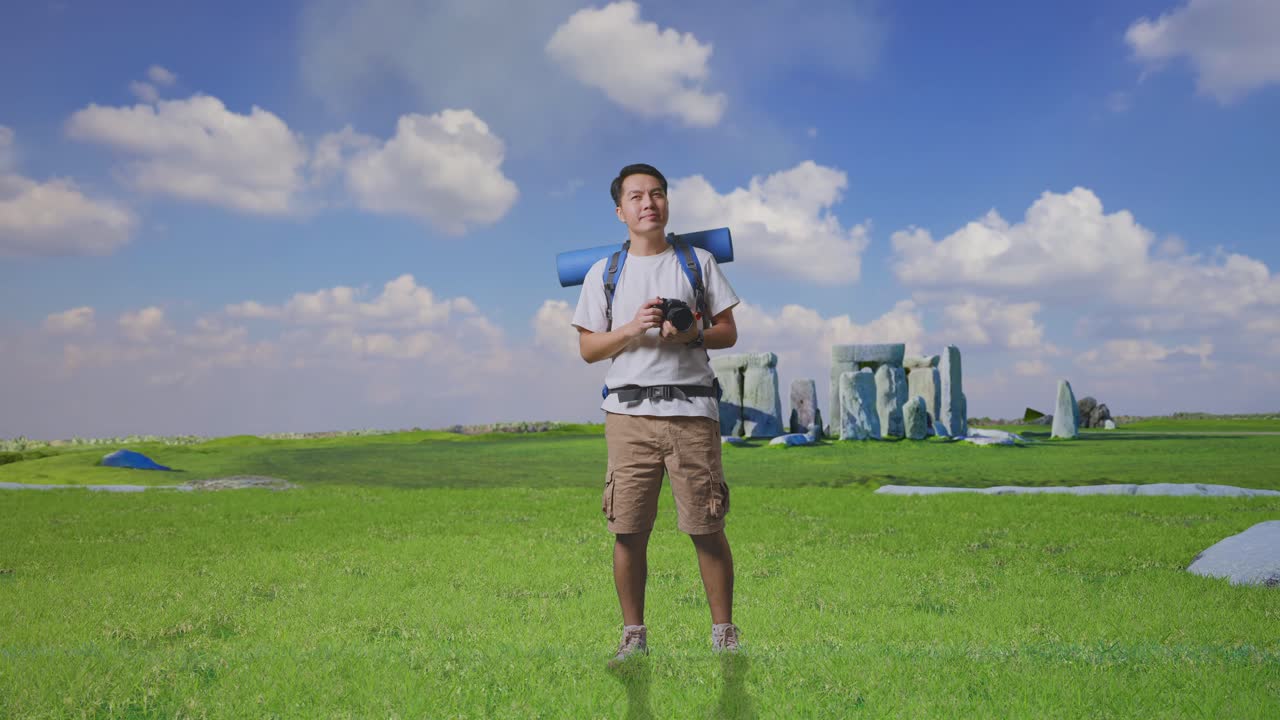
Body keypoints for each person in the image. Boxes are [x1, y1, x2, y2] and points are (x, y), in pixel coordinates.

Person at [571, 163, 742, 667]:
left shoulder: (698, 262)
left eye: (658, 194)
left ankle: (724, 635)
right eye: (637, 196)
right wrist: (631, 329)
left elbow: (728, 332)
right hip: (628, 415)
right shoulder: (604, 273)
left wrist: (690, 334)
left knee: (706, 526)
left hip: (691, 412)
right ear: (620, 211)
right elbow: (587, 348)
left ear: (667, 204)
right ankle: (633, 636)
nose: (649, 203)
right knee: (628, 529)